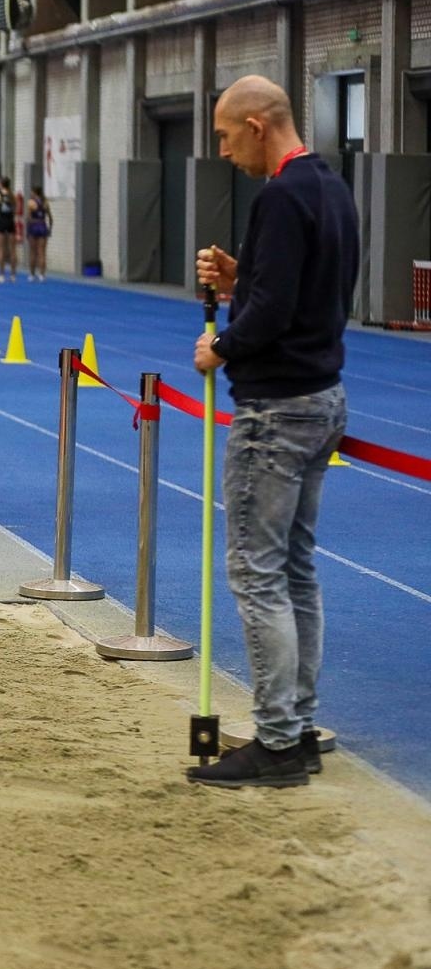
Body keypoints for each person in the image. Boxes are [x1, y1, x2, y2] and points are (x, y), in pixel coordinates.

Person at [185, 75, 355, 789]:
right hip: (321, 396)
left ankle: (279, 742)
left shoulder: (281, 196)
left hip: (275, 409)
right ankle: (301, 727)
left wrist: (218, 347)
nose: (223, 151)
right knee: (296, 570)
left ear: (257, 125)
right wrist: (239, 275)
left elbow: (272, 313)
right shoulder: (331, 188)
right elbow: (300, 288)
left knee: (257, 574)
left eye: (225, 136)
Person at [0, 176, 18, 283]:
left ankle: (1, 275)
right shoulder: (12, 195)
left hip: (2, 222)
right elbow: (15, 209)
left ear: (1, 184)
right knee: (12, 249)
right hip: (10, 221)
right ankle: (13, 275)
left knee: (1, 249)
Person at [24, 186, 51, 281]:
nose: (30, 194)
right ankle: (42, 275)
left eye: (31, 192)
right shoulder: (45, 202)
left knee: (33, 252)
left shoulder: (31, 203)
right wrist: (49, 229)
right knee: (42, 252)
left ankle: (32, 274)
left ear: (35, 193)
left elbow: (29, 218)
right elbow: (50, 218)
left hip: (34, 226)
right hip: (43, 226)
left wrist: (28, 229)